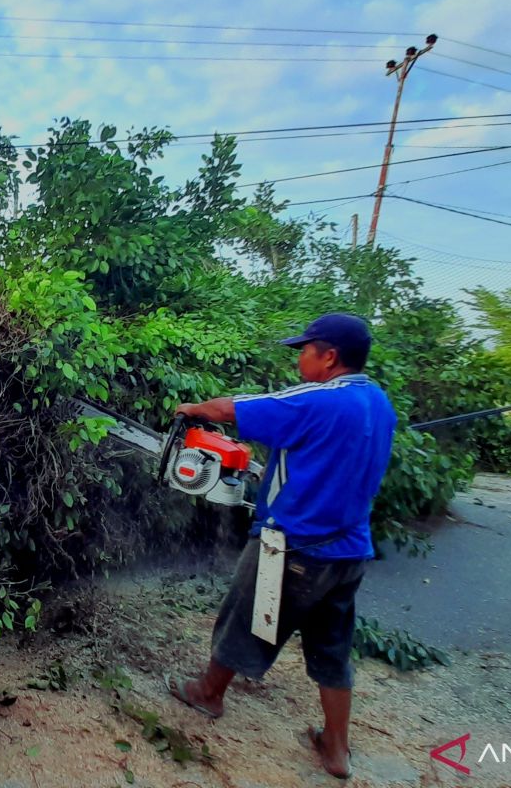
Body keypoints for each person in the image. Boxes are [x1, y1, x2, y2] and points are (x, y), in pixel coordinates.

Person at [168, 313, 396, 780]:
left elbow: (237, 409)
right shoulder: (379, 403)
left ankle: (208, 694)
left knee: (246, 617)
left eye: (305, 349)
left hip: (293, 545)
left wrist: (194, 409)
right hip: (349, 551)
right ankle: (336, 749)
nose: (300, 357)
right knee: (332, 648)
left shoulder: (319, 397)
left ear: (329, 356)